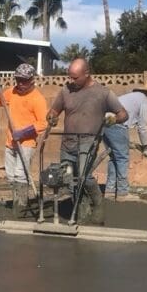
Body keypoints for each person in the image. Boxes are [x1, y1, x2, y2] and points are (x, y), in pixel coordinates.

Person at [46, 58, 127, 225]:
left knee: (84, 176)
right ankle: (81, 207)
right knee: (68, 178)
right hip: (68, 141)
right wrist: (51, 117)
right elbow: (54, 111)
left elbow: (123, 114)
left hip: (88, 141)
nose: (71, 81)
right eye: (69, 77)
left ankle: (98, 203)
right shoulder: (65, 91)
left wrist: (113, 120)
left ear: (87, 74)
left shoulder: (103, 93)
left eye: (75, 78)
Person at [0, 63, 48, 218]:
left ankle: (20, 207)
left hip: (26, 143)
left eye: (23, 80)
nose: (20, 83)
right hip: (10, 142)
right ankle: (17, 200)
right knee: (10, 176)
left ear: (31, 80)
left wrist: (23, 133)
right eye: (18, 80)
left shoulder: (37, 99)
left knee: (20, 175)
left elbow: (43, 123)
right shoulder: (12, 92)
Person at [104, 79, 147, 201]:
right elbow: (142, 127)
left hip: (105, 124)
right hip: (118, 124)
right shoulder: (145, 102)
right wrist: (146, 147)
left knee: (114, 157)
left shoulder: (132, 96)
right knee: (122, 158)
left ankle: (110, 191)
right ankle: (122, 193)